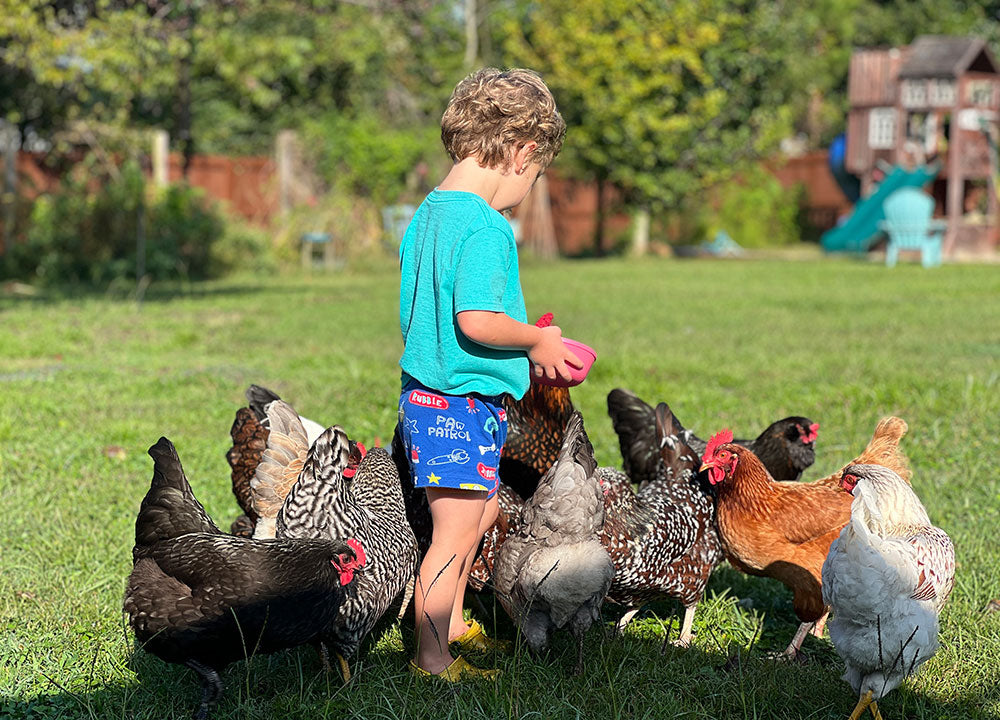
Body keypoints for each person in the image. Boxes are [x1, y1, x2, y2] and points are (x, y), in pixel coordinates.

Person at [396, 67, 580, 681]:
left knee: (476, 516)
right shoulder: (483, 226)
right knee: (452, 534)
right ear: (524, 153)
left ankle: (446, 625)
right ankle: (431, 658)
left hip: (433, 398)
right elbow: (476, 319)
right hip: (458, 404)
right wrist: (538, 339)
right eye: (534, 175)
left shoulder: (427, 214)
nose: (526, 188)